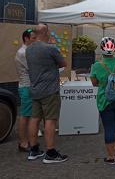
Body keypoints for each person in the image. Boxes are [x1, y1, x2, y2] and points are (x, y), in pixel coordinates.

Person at [25, 24, 68, 163]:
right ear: (45, 32)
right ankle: (50, 152)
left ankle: (34, 150)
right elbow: (63, 63)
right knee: (50, 120)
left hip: (35, 89)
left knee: (34, 118)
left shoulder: (29, 49)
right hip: (50, 90)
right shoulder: (51, 48)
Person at [90, 37, 115, 165]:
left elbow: (94, 83)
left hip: (105, 101)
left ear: (101, 49)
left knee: (109, 127)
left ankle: (111, 156)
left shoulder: (97, 65)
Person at [15, 28, 36, 152]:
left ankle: (27, 140)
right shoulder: (23, 52)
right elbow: (33, 68)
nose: (35, 40)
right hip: (26, 86)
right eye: (33, 38)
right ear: (26, 38)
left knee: (29, 115)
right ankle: (23, 143)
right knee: (25, 115)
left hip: (29, 86)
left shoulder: (27, 51)